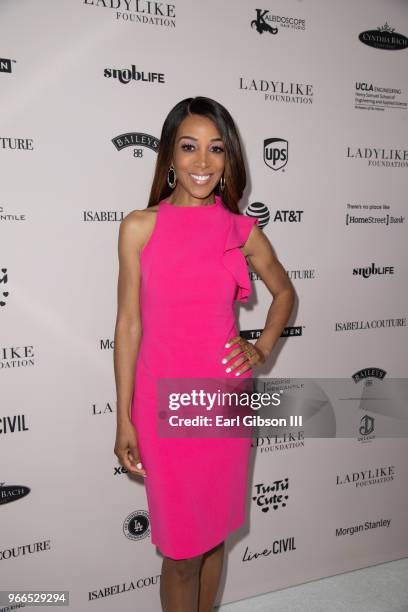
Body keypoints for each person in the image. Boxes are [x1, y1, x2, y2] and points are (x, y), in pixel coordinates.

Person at [113, 96, 295, 611]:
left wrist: (260, 347)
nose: (202, 162)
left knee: (213, 536)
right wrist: (124, 417)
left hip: (224, 400)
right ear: (169, 157)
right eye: (189, 147)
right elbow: (128, 325)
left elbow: (285, 293)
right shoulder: (138, 227)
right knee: (179, 552)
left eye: (216, 150)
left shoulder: (241, 230)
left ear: (229, 158)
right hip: (161, 402)